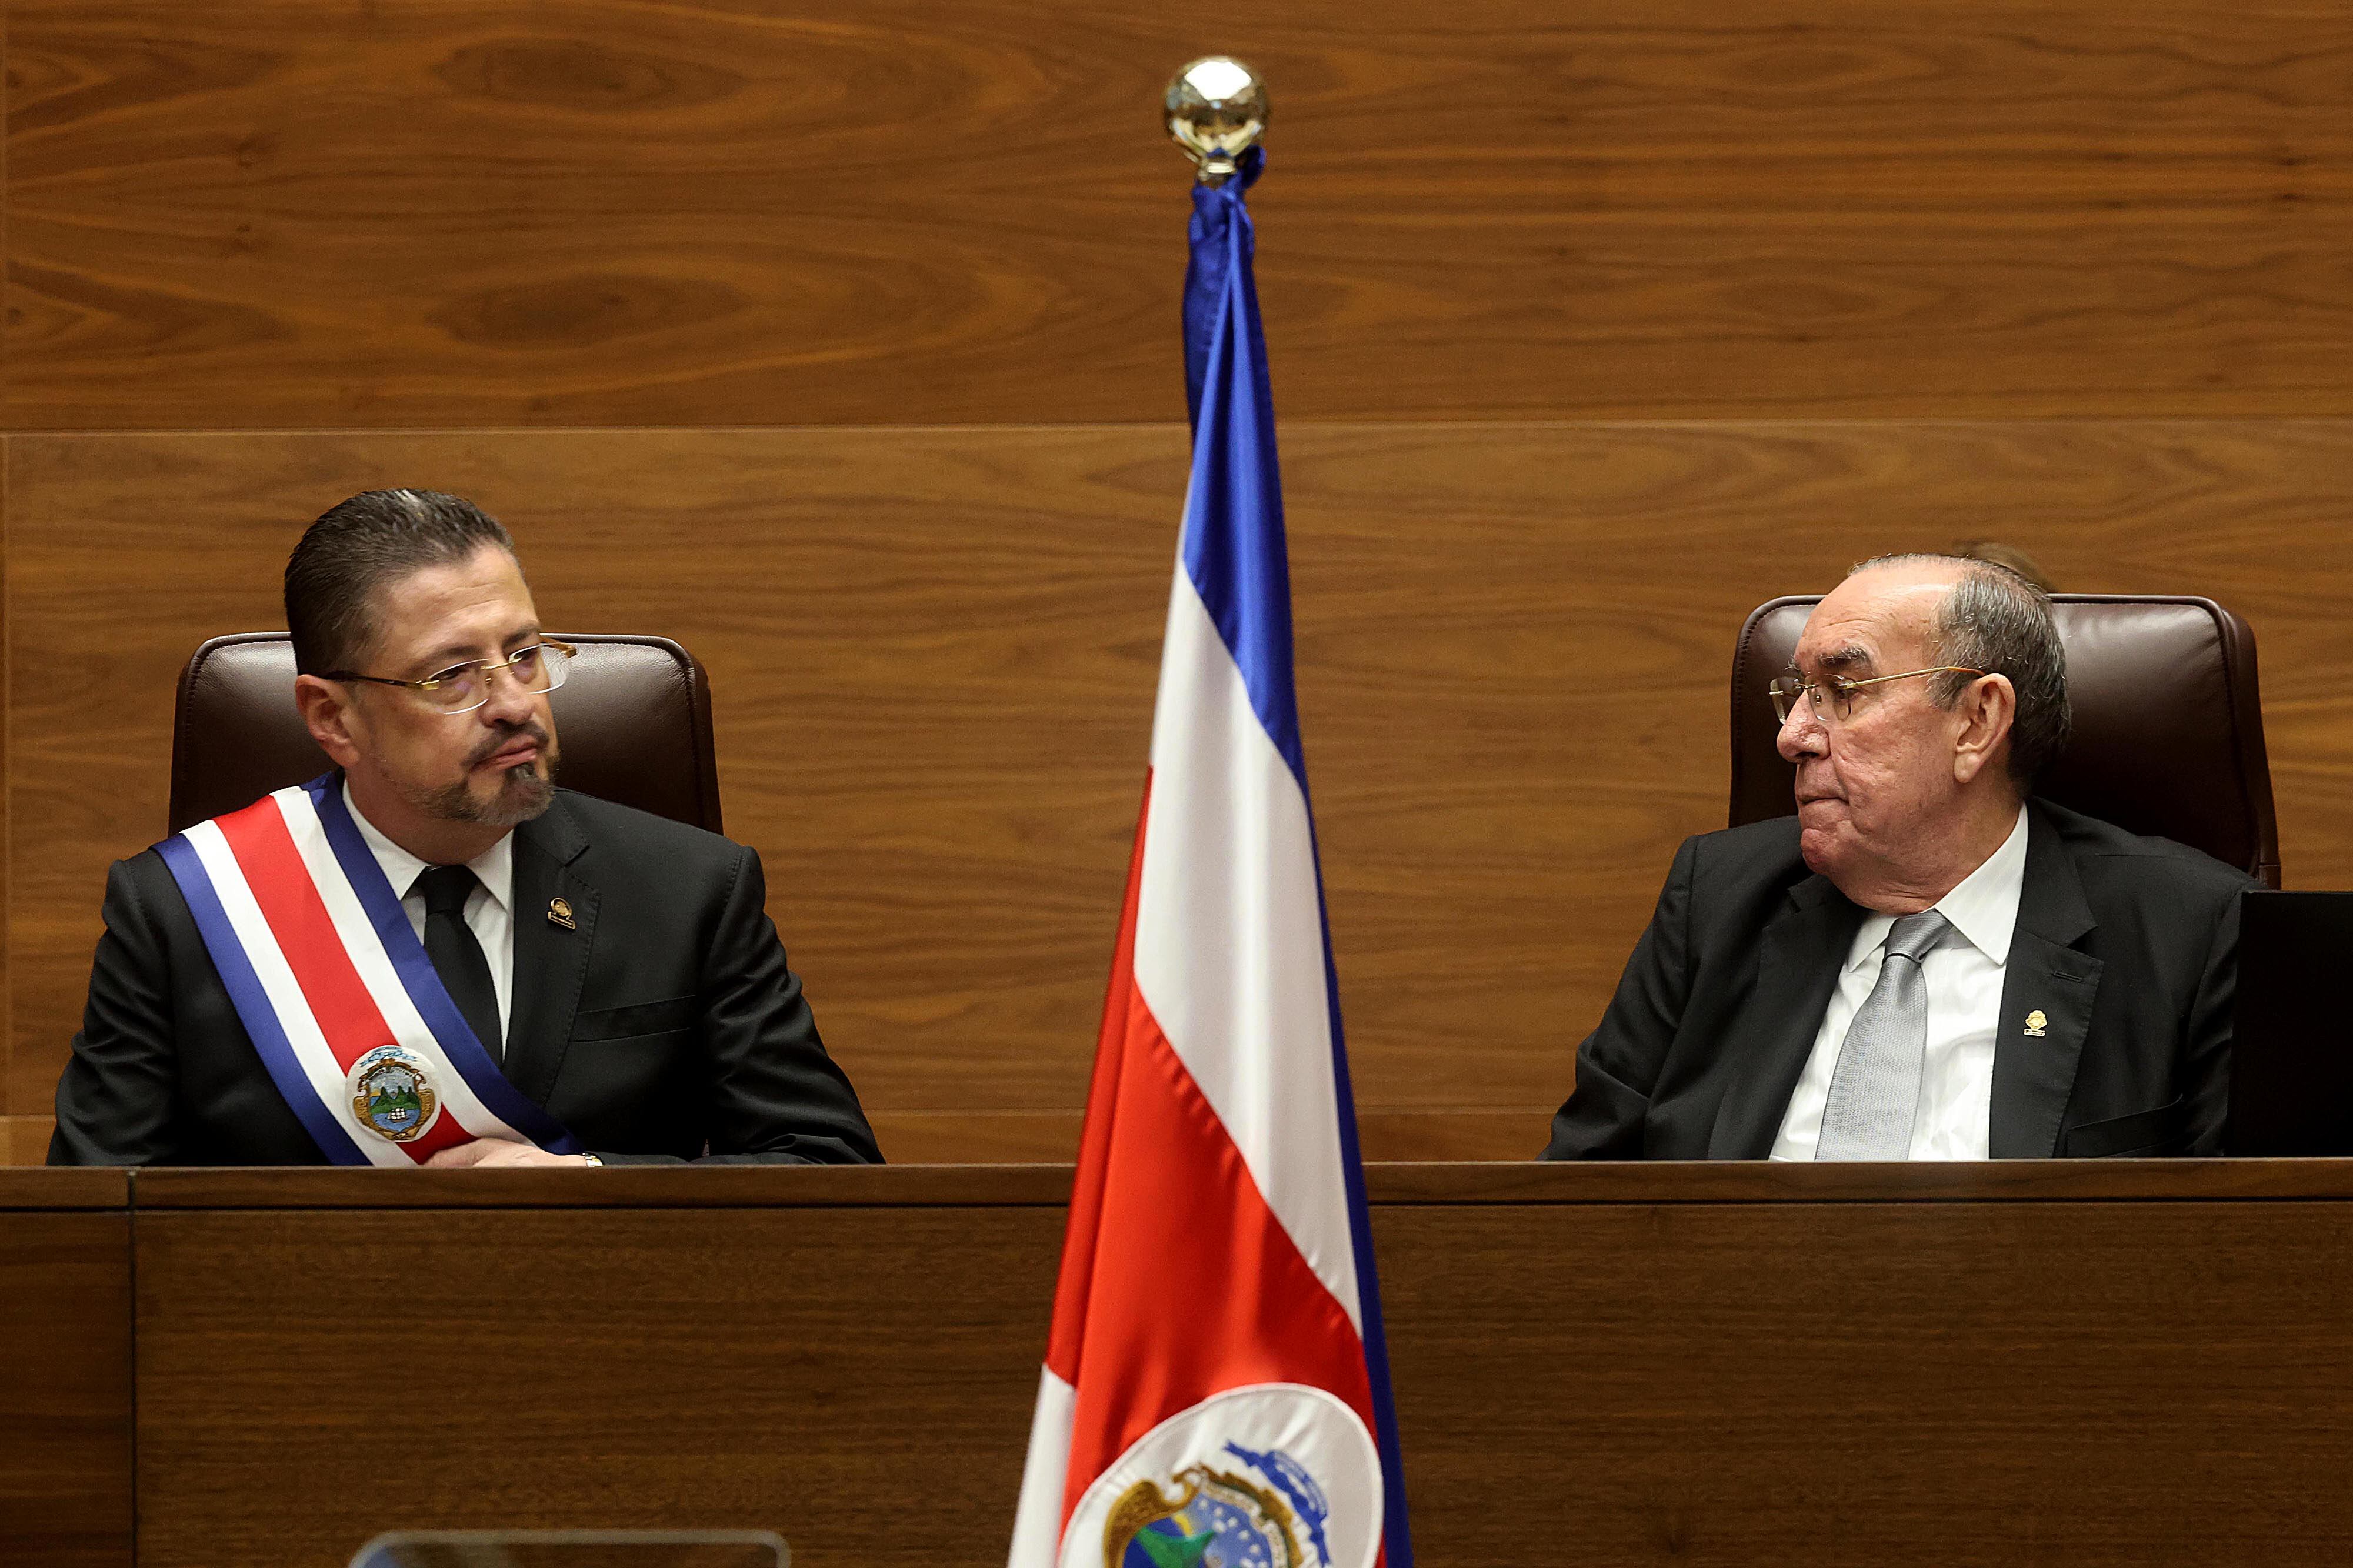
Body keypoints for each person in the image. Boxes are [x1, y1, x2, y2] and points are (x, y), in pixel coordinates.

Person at [51, 489, 880, 1167]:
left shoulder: (691, 889)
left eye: (524, 654)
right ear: (332, 717)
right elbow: (98, 1227)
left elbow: (828, 1167)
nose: (517, 703)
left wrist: (586, 1184)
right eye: (452, 674)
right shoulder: (185, 913)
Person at [1543, 553, 2254, 1162]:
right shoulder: (1718, 898)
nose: (1792, 737)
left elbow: (2250, 1235)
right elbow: (1577, 1196)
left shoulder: (2196, 932)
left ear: (1976, 721)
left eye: (1842, 691)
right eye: (1797, 694)